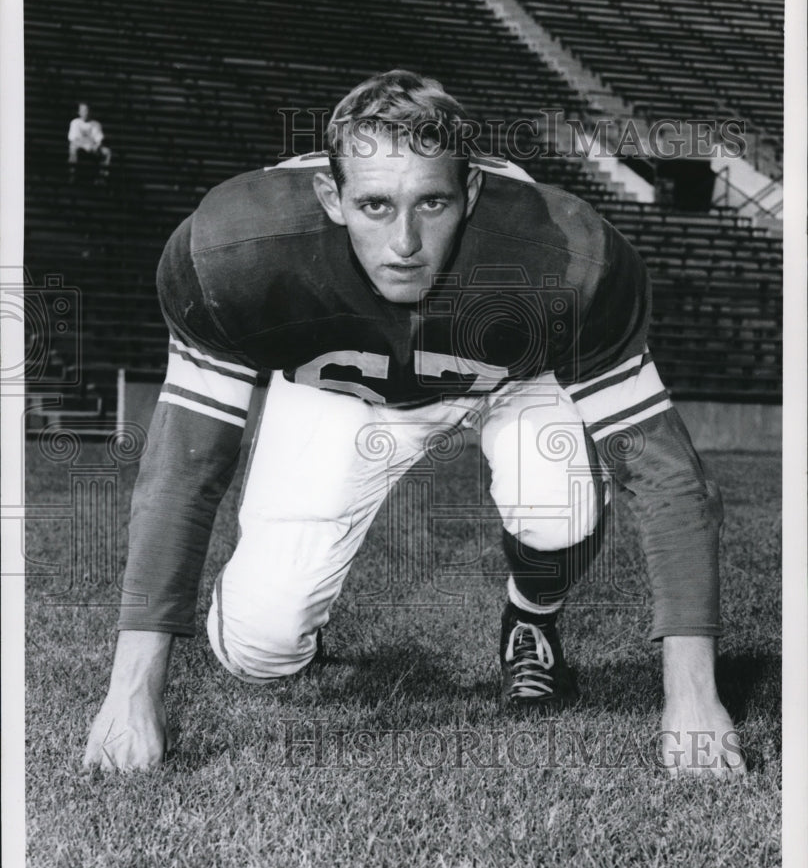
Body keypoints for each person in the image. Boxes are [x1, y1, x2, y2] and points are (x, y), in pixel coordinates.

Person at [83, 70, 745, 778]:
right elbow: (182, 471)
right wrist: (131, 691)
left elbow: (667, 477)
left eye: (432, 202)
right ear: (330, 197)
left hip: (506, 377)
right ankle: (275, 620)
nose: (404, 240)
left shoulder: (565, 257)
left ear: (473, 192)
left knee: (561, 508)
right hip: (345, 387)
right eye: (374, 204)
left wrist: (694, 696)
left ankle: (531, 616)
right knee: (258, 649)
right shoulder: (234, 253)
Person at [67, 102, 112, 179]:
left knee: (107, 152)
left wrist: (96, 146)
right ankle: (72, 175)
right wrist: (85, 146)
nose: (85, 113)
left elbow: (99, 139)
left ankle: (103, 177)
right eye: (83, 110)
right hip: (79, 146)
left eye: (87, 110)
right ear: (79, 112)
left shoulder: (96, 124)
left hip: (93, 147)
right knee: (72, 148)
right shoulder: (75, 122)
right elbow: (73, 139)